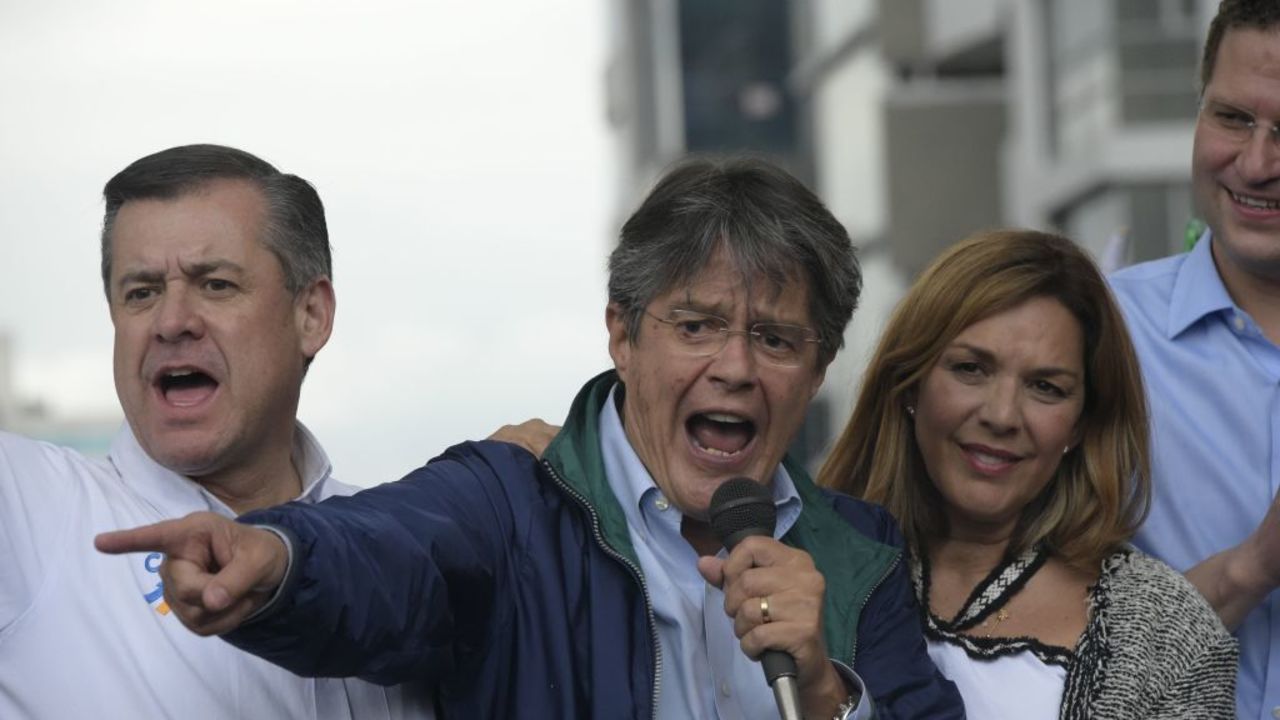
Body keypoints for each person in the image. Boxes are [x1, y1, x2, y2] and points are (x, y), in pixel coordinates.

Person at [98, 157, 964, 719]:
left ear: (817, 371)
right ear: (622, 337)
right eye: (696, 326)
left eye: (775, 339)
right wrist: (278, 562)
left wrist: (822, 692)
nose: (735, 367)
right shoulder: (511, 503)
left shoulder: (861, 556)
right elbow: (385, 555)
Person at [0, 144, 432, 719]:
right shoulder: (31, 511)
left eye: (215, 285)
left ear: (311, 316)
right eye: (141, 292)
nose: (172, 321)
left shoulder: (400, 552)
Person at [821, 230, 1237, 718]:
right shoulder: (803, 562)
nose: (1002, 415)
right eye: (971, 368)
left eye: (1045, 387)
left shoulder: (1169, 632)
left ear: (1082, 424)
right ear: (909, 384)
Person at [1107, 2, 1280, 717]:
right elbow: (1032, 650)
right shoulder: (1097, 341)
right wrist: (1252, 568)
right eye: (1233, 118)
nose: (1257, 163)